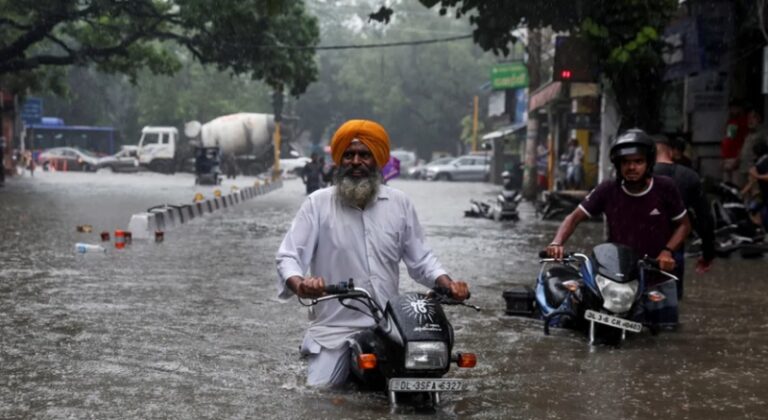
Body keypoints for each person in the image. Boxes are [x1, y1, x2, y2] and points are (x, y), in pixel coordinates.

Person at [276, 119, 470, 387]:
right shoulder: (317, 204)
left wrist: (449, 284)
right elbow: (288, 257)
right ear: (339, 160)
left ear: (377, 160)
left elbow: (422, 259)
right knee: (321, 392)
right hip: (334, 330)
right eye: (349, 155)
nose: (356, 162)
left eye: (364, 155)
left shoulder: (400, 203)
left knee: (427, 380)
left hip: (391, 327)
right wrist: (301, 285)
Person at [546, 129, 692, 327]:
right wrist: (557, 242)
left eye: (638, 161)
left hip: (656, 276)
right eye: (625, 162)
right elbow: (573, 218)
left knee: (666, 334)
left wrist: (667, 252)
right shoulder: (608, 190)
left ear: (649, 163)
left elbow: (684, 225)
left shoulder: (665, 188)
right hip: (617, 280)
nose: (631, 167)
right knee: (600, 328)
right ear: (618, 164)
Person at [653, 135, 716, 299]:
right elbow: (705, 218)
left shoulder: (636, 176)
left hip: (640, 249)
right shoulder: (689, 176)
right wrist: (708, 253)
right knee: (672, 301)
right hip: (675, 249)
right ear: (671, 152)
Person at [721, 102, 748, 184]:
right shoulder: (730, 121)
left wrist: (738, 158)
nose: (733, 110)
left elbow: (744, 141)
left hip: (735, 156)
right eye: (731, 108)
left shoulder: (743, 121)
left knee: (735, 184)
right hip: (727, 156)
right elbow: (728, 139)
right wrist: (723, 157)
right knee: (726, 184)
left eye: (735, 108)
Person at [738, 109, 767, 188]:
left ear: (758, 119)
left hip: (754, 169)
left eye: (753, 118)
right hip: (743, 168)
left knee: (754, 191)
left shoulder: (763, 133)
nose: (750, 121)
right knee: (742, 190)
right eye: (748, 118)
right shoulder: (748, 134)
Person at [744, 142, 768, 226]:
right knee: (753, 209)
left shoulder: (764, 162)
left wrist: (757, 176)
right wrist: (742, 193)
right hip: (763, 196)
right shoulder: (759, 163)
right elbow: (751, 181)